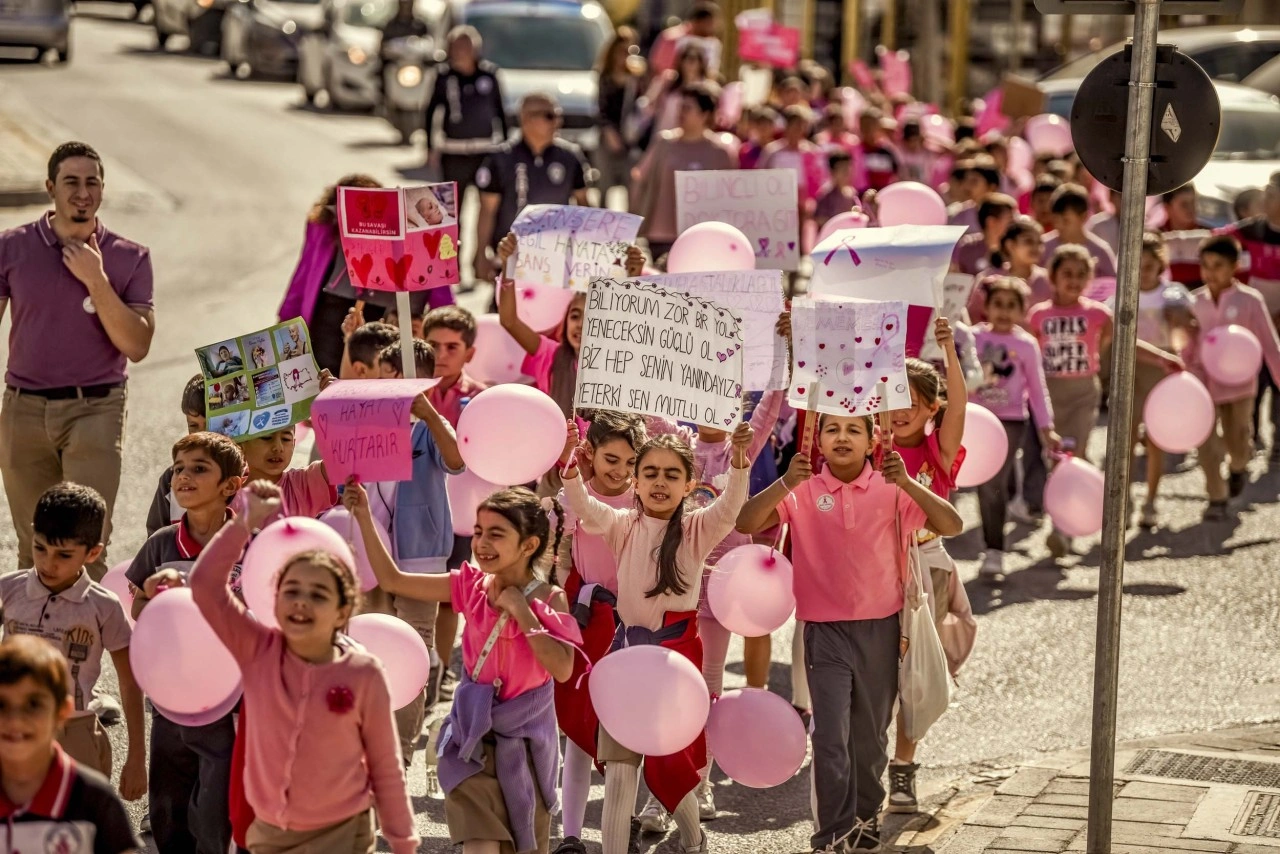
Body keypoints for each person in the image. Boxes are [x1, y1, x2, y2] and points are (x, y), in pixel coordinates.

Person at [736, 415, 963, 853]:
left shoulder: (890, 487)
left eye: (853, 430)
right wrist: (785, 482)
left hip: (882, 629)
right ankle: (832, 834)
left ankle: (864, 818)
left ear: (872, 439)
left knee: (871, 737)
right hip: (823, 631)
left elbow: (951, 525)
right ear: (817, 439)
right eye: (832, 429)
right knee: (829, 735)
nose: (842, 437)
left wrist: (909, 483)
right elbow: (748, 522)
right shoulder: (802, 487)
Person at [158, 479, 416, 853]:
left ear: (344, 610)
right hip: (270, 834)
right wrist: (243, 523)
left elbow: (385, 764)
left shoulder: (363, 673)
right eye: (291, 591)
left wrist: (403, 841)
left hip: (343, 834)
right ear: (274, 600)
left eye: (318, 595)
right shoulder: (257, 650)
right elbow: (205, 586)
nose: (301, 603)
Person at [348, 479, 580, 854]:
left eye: (496, 534)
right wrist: (361, 516)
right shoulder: (469, 585)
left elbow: (563, 669)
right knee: (480, 845)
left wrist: (524, 614)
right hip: (470, 741)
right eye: (478, 533)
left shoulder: (550, 598)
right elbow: (393, 580)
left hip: (525, 746)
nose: (482, 544)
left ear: (529, 545)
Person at [560, 425, 754, 854]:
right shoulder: (622, 526)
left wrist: (739, 460)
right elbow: (586, 509)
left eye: (670, 474)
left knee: (670, 765)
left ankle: (694, 838)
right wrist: (573, 465)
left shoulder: (697, 530)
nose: (660, 482)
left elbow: (730, 507)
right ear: (636, 480)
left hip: (674, 663)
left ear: (688, 484)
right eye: (650, 473)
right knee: (621, 769)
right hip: (627, 659)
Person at [0, 142, 155, 580]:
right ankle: (29, 649)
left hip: (96, 410)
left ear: (103, 190)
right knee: (34, 552)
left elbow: (137, 345)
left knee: (86, 551)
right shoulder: (11, 248)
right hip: (23, 409)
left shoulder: (130, 256)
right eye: (71, 182)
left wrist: (96, 279)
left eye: (92, 182)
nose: (82, 192)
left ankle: (78, 650)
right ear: (51, 187)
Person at [128, 432, 245, 854]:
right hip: (170, 696)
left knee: (215, 810)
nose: (184, 477)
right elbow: (139, 610)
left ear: (231, 485)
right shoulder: (160, 544)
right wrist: (153, 594)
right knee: (167, 805)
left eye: (199, 469)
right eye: (179, 468)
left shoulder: (247, 542)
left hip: (229, 700)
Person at [1026, 246, 1180, 556]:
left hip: (1083, 393)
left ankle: (1062, 529)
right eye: (1067, 273)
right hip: (1048, 395)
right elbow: (1026, 357)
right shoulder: (1039, 315)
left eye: (1081, 275)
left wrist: (1162, 357)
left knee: (1074, 452)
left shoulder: (1097, 314)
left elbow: (1125, 342)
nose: (1074, 280)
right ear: (1053, 276)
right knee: (1056, 459)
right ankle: (1086, 504)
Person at [0, 483, 146, 803]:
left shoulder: (103, 607)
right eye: (40, 548)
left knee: (77, 830)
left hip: (75, 733)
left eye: (64, 555)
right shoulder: (7, 591)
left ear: (93, 552)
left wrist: (137, 758)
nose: (48, 563)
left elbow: (130, 682)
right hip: (9, 728)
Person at [886, 322, 976, 813]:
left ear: (930, 408)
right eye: (892, 398)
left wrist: (947, 348)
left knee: (916, 674)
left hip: (928, 567)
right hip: (877, 570)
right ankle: (864, 763)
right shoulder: (871, 447)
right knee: (880, 671)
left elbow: (959, 404)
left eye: (912, 401)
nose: (900, 411)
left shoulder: (938, 452)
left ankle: (903, 768)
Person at [549, 413, 646, 854]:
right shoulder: (573, 499)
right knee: (577, 727)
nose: (620, 471)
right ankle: (570, 834)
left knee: (626, 728)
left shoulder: (645, 501)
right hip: (586, 622)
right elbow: (556, 559)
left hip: (633, 624)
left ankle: (620, 823)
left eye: (629, 462)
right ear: (591, 452)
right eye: (610, 459)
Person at [364, 338, 465, 762]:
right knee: (369, 651)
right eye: (384, 376)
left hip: (420, 557)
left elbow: (457, 461)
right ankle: (367, 743)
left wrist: (431, 415)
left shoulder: (428, 428)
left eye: (399, 377)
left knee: (412, 656)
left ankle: (401, 751)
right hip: (368, 556)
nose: (390, 385)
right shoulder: (363, 425)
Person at [277, 176, 437, 376]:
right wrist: (284, 338)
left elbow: (436, 286)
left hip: (376, 357)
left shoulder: (397, 242)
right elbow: (300, 282)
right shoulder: (323, 231)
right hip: (323, 342)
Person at [0, 635, 140, 854]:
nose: (16, 720)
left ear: (62, 711)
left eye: (34, 704)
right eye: (2, 704)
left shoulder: (95, 799)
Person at [1186, 235, 1280, 520]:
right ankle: (1216, 496)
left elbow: (1268, 342)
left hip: (1241, 386)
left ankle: (1238, 468)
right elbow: (1188, 343)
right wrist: (1184, 372)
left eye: (1218, 265)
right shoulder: (1195, 302)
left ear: (1235, 266)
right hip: (1204, 384)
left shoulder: (1250, 300)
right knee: (1204, 443)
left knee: (1238, 440)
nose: (1210, 272)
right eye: (1205, 265)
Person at [972, 278, 1059, 580]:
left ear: (1023, 310)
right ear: (986, 306)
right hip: (973, 419)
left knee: (991, 481)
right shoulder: (970, 338)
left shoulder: (1025, 344)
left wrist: (1047, 427)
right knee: (984, 483)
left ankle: (993, 551)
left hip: (1010, 422)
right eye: (998, 304)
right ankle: (996, 523)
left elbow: (1037, 388)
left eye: (1012, 306)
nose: (1004, 312)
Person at [422, 305, 488, 695]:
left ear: (470, 354)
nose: (441, 355)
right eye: (433, 346)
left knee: (449, 597)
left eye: (452, 347)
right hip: (412, 511)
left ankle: (440, 672)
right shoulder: (407, 390)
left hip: (459, 515)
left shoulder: (481, 400)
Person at [475, 93, 592, 283]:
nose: (557, 122)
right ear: (526, 118)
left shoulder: (571, 156)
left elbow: (584, 205)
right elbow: (487, 210)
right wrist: (480, 254)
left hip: (556, 258)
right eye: (549, 116)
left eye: (558, 115)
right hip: (510, 258)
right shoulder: (501, 158)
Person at [1120, 233, 1194, 529]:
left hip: (1161, 371)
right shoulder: (1122, 294)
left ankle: (1151, 500)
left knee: (1155, 440)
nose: (1143, 270)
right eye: (1137, 264)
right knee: (1123, 441)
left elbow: (1186, 330)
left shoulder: (1172, 294)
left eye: (1149, 264)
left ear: (1160, 264)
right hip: (1130, 370)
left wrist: (1180, 321)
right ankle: (1122, 499)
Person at [633, 82, 736, 261]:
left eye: (687, 108)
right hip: (661, 233)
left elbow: (731, 197)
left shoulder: (720, 152)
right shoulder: (664, 143)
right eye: (680, 107)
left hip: (702, 237)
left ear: (705, 114)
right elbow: (640, 178)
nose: (681, 113)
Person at [146, 374, 209, 536]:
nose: (202, 434)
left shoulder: (246, 474)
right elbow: (155, 541)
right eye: (193, 426)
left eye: (210, 424)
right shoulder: (171, 479)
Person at [969, 219, 1051, 325]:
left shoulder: (1049, 279)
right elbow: (974, 317)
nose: (1036, 247)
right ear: (1010, 245)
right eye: (1029, 241)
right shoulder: (988, 279)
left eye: (1039, 243)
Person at [596, 27, 643, 203]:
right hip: (608, 136)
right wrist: (609, 132)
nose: (625, 56)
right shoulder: (605, 77)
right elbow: (601, 108)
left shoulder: (636, 78)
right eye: (622, 51)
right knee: (604, 184)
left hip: (630, 137)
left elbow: (641, 107)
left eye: (631, 51)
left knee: (631, 184)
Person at [1041, 184, 1118, 279]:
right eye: (1056, 220)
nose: (1059, 226)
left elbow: (1111, 286)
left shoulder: (1100, 252)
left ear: (1083, 217)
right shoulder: (1042, 248)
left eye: (1066, 220)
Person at [641, 42, 711, 138]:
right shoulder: (668, 81)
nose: (690, 63)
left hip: (691, 139)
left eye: (694, 59)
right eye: (686, 58)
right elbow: (648, 105)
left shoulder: (706, 89)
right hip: (664, 135)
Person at [647, 1, 721, 78]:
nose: (713, 28)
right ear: (699, 22)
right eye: (709, 24)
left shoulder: (712, 42)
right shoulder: (672, 38)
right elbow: (658, 67)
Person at [951, 194, 1017, 276]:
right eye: (1010, 222)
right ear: (991, 222)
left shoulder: (1016, 250)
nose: (1015, 226)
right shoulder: (966, 247)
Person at [947, 158, 1001, 235]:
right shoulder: (956, 213)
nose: (967, 186)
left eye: (974, 181)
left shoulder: (1004, 213)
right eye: (966, 181)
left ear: (991, 187)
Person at [855, 108, 899, 194]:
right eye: (865, 124)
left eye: (872, 124)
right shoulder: (855, 151)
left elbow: (896, 175)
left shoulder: (887, 151)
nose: (868, 128)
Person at [813, 150, 858, 231]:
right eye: (842, 168)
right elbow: (819, 220)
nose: (846, 171)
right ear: (832, 171)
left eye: (848, 167)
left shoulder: (852, 193)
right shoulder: (825, 194)